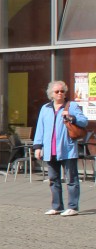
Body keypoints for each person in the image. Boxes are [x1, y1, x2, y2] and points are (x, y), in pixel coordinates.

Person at [33, 80, 88, 216]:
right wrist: (38, 147)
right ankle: (57, 206)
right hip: (50, 149)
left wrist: (72, 117)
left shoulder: (71, 106)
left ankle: (73, 207)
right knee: (53, 179)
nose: (59, 94)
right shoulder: (45, 108)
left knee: (71, 179)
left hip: (67, 149)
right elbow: (40, 128)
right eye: (56, 91)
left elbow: (84, 121)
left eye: (62, 91)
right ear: (51, 94)